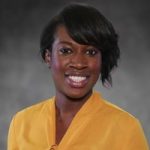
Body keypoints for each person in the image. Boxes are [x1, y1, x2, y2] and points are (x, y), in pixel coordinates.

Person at [8, 3, 149, 150]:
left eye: (91, 52)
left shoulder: (126, 129)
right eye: (66, 50)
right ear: (48, 57)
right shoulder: (22, 123)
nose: (79, 63)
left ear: (102, 60)